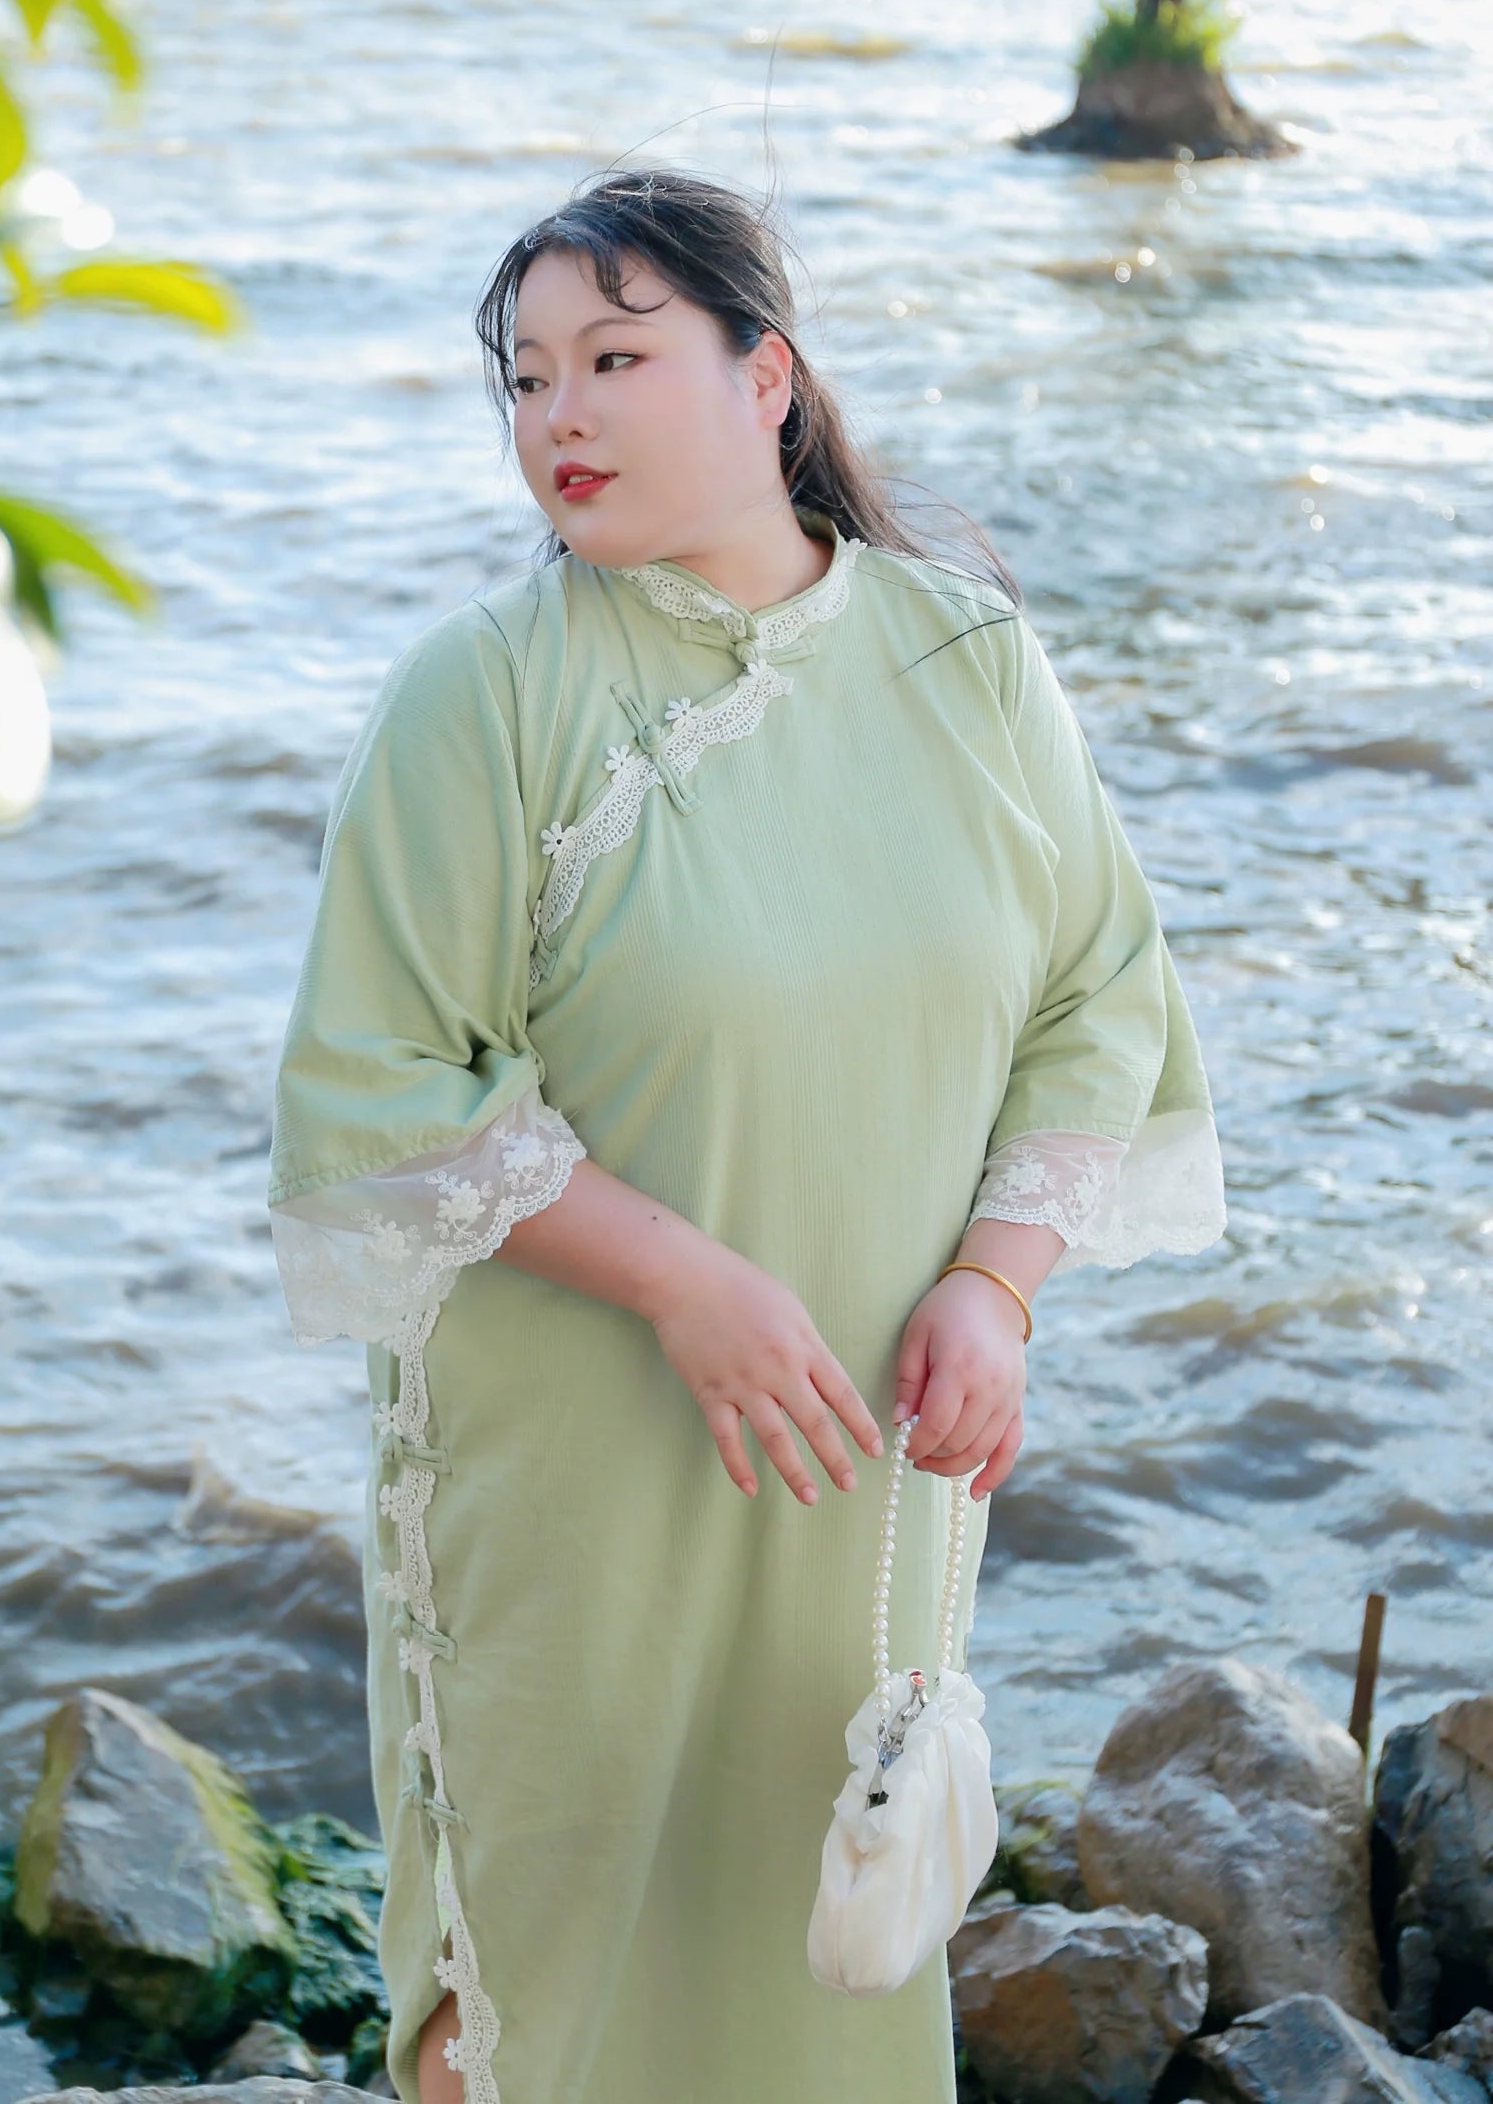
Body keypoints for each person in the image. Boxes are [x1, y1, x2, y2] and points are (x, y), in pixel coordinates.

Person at [266, 169, 1226, 2104]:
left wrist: (998, 1287)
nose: (559, 415)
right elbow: (377, 1084)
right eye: (527, 377)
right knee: (536, 1994)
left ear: (764, 375)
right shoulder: (484, 694)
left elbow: (1098, 997)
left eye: (615, 360)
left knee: (826, 1952)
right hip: (569, 1480)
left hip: (869, 1469)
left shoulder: (967, 662)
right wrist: (683, 1283)